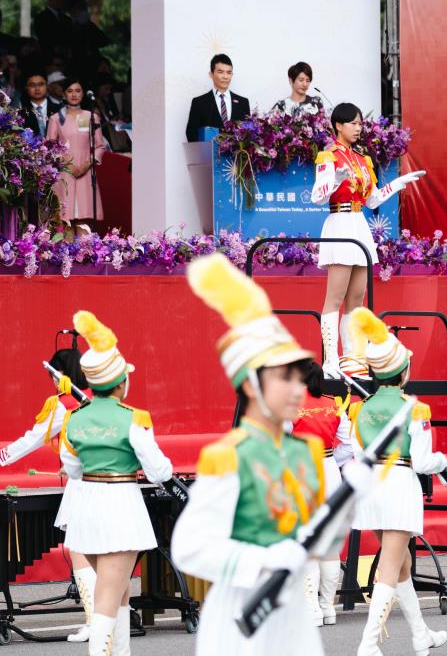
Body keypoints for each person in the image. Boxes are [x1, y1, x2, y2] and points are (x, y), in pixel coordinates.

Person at [172, 254, 334, 654]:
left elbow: (316, 536)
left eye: (299, 377)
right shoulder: (229, 456)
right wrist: (260, 561)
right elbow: (190, 547)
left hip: (293, 615)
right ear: (249, 385)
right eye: (284, 377)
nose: (297, 389)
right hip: (239, 614)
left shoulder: (306, 452)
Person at [59, 311, 173, 656]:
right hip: (120, 506)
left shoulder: (74, 418)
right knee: (109, 595)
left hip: (87, 505)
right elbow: (158, 471)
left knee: (120, 590)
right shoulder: (133, 419)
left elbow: (72, 467)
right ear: (121, 383)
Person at [347, 306, 447, 656]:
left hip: (370, 485)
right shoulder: (415, 408)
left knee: (401, 561)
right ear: (403, 372)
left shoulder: (359, 409)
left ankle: (421, 635)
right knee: (391, 566)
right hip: (399, 483)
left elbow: (356, 452)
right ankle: (368, 643)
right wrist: (443, 461)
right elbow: (423, 461)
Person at [0, 345, 96, 642]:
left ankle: (95, 620)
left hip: (85, 486)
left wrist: (1, 456)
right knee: (103, 552)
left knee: (79, 549)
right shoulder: (101, 400)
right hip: (111, 482)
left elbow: (34, 438)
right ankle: (110, 616)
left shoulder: (64, 404)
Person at [309, 102, 425, 377]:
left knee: (357, 297)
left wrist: (397, 183)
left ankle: (352, 355)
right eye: (353, 123)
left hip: (359, 224)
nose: (359, 128)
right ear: (338, 125)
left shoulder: (363, 159)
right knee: (335, 296)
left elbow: (372, 198)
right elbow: (317, 196)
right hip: (339, 224)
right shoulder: (328, 156)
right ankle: (330, 361)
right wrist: (335, 179)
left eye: (361, 123)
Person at [292, 361, 353, 627]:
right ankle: (328, 608)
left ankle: (312, 609)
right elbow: (349, 444)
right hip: (329, 471)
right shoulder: (334, 403)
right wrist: (332, 459)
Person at [46, 77, 105, 226]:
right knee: (65, 221)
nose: (74, 94)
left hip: (86, 172)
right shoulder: (56, 118)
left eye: (78, 91)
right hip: (65, 173)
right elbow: (50, 146)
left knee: (84, 221)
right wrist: (67, 164)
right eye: (70, 91)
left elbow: (99, 146)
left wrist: (86, 165)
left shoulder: (91, 117)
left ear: (83, 94)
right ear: (64, 95)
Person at [184, 54, 250, 142]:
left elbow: (249, 135)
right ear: (211, 74)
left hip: (236, 155)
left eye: (229, 72)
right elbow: (191, 133)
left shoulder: (243, 103)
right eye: (220, 72)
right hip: (209, 155)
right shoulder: (199, 102)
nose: (225, 77)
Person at [19, 72, 61, 136]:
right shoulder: (20, 112)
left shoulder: (59, 109)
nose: (37, 88)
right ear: (26, 88)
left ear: (47, 86)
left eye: (41, 84)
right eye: (32, 85)